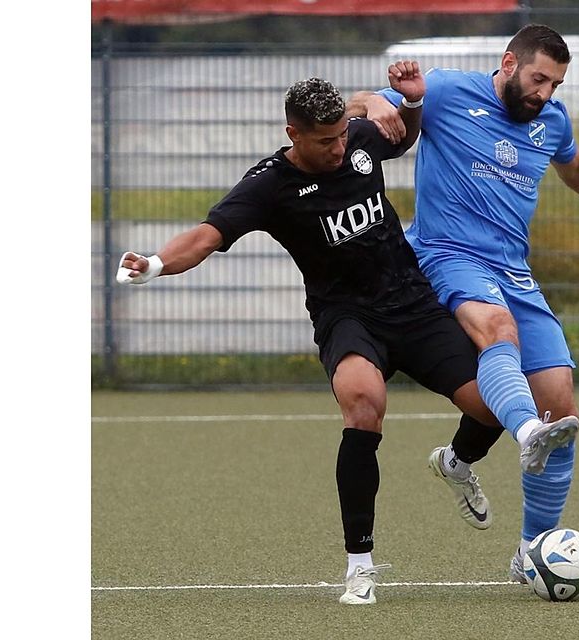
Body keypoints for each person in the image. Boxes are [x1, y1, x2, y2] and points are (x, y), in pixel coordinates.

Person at [115, 66, 526, 606]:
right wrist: (155, 263)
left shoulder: (356, 138)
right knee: (363, 403)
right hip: (347, 316)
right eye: (324, 141)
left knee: (492, 408)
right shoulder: (268, 186)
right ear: (294, 135)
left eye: (341, 135)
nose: (338, 148)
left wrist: (410, 103)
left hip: (413, 303)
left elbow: (405, 132)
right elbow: (206, 236)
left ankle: (456, 462)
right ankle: (360, 565)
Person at [347, 24, 579, 583]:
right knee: (496, 329)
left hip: (514, 270)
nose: (545, 93)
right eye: (539, 78)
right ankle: (524, 435)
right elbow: (364, 101)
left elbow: (574, 163)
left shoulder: (552, 119)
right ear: (509, 63)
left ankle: (528, 553)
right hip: (446, 254)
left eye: (556, 83)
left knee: (562, 411)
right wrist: (379, 103)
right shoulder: (449, 90)